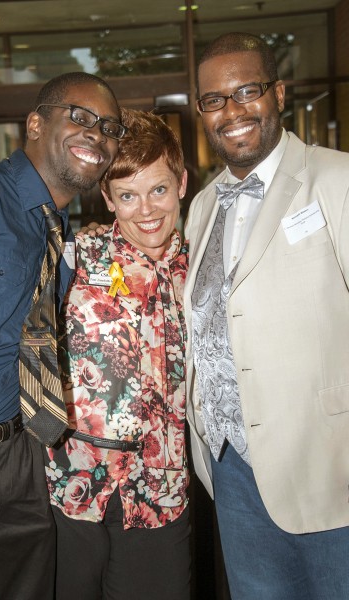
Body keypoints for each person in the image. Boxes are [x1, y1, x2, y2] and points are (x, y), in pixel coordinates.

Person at [184, 31, 349, 599]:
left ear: (278, 93)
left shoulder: (337, 179)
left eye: (246, 90)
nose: (231, 111)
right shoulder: (203, 206)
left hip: (330, 468)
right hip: (233, 473)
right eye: (213, 99)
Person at [0, 71, 124, 600]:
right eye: (80, 116)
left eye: (109, 126)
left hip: (21, 457)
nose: (97, 133)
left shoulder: (59, 231)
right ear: (33, 123)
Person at [45, 108, 191, 600]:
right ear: (107, 198)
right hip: (71, 489)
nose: (146, 210)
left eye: (158, 190)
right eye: (127, 195)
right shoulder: (74, 255)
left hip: (160, 492)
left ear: (182, 184)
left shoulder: (204, 271)